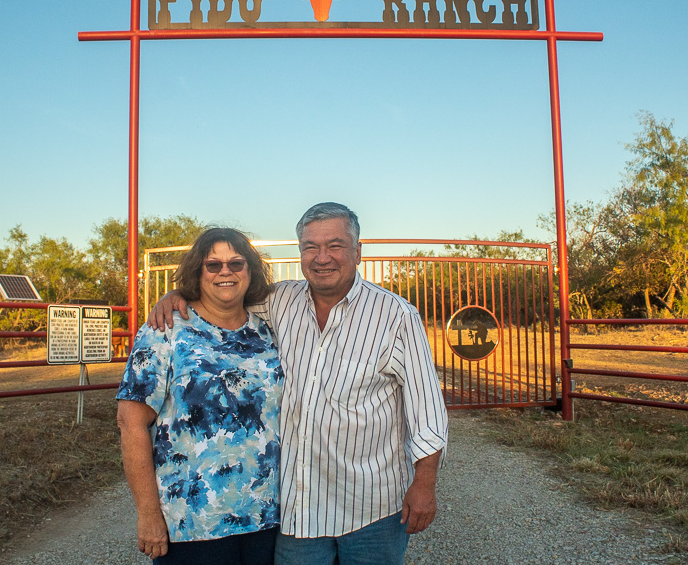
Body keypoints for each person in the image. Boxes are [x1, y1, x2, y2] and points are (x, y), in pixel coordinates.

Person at [149, 203, 448, 565]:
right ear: (301, 252)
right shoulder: (279, 301)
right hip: (300, 511)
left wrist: (424, 484)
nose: (322, 258)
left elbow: (427, 410)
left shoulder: (396, 316)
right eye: (311, 247)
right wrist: (178, 296)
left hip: (373, 508)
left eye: (335, 245)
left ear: (357, 251)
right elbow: (225, 296)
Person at [117, 228, 283, 565]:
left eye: (236, 263)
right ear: (198, 271)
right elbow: (130, 423)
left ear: (250, 271)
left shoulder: (268, 332)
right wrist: (148, 514)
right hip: (191, 523)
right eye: (213, 265)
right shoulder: (165, 329)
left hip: (267, 519)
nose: (225, 271)